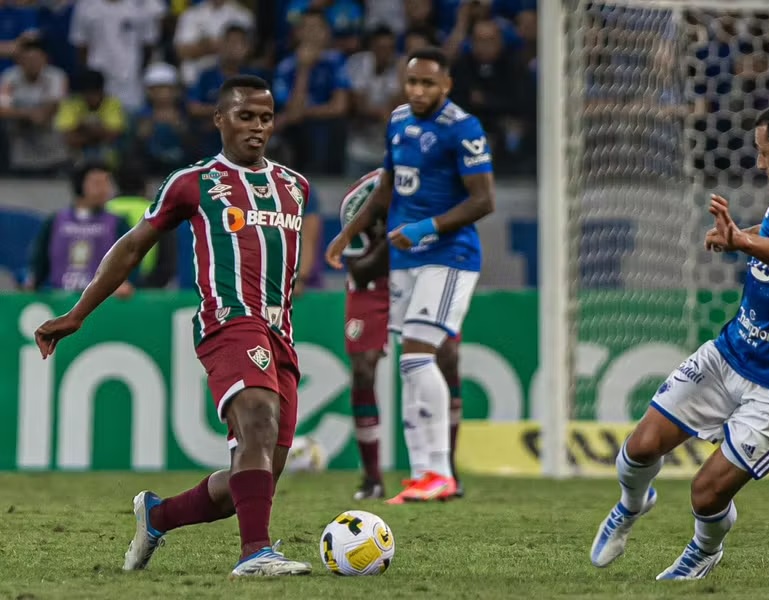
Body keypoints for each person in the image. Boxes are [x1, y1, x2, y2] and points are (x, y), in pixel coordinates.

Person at [33, 74, 314, 577]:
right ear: (219, 119)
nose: (256, 127)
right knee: (256, 417)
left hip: (280, 331)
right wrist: (78, 313)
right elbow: (133, 246)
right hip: (229, 321)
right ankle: (256, 553)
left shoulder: (295, 186)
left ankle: (157, 515)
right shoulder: (194, 182)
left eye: (265, 117)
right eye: (245, 116)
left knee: (254, 476)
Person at [589, 100, 769, 580]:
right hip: (730, 352)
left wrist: (741, 243)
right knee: (639, 448)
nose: (759, 164)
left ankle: (704, 548)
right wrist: (741, 233)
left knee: (706, 493)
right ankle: (632, 506)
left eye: (764, 153)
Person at [326, 46, 495, 504]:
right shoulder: (399, 121)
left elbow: (484, 200)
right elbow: (386, 185)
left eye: (427, 83)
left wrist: (425, 228)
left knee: (420, 355)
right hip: (407, 262)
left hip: (449, 256)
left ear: (446, 86)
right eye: (412, 82)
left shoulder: (463, 129)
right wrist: (349, 234)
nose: (418, 91)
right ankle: (425, 474)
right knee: (409, 362)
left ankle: (440, 470)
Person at [339, 168, 466, 501]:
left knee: (448, 357)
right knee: (364, 367)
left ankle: (445, 471)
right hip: (374, 283)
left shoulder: (443, 191)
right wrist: (398, 240)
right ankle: (372, 479)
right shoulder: (357, 201)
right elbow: (360, 269)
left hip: (427, 274)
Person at [25, 160, 134, 297]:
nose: (104, 189)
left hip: (103, 303)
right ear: (80, 185)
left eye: (108, 182)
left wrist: (127, 283)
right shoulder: (56, 221)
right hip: (61, 299)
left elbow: (130, 258)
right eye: (97, 183)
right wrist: (33, 283)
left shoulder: (118, 223)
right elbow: (40, 260)